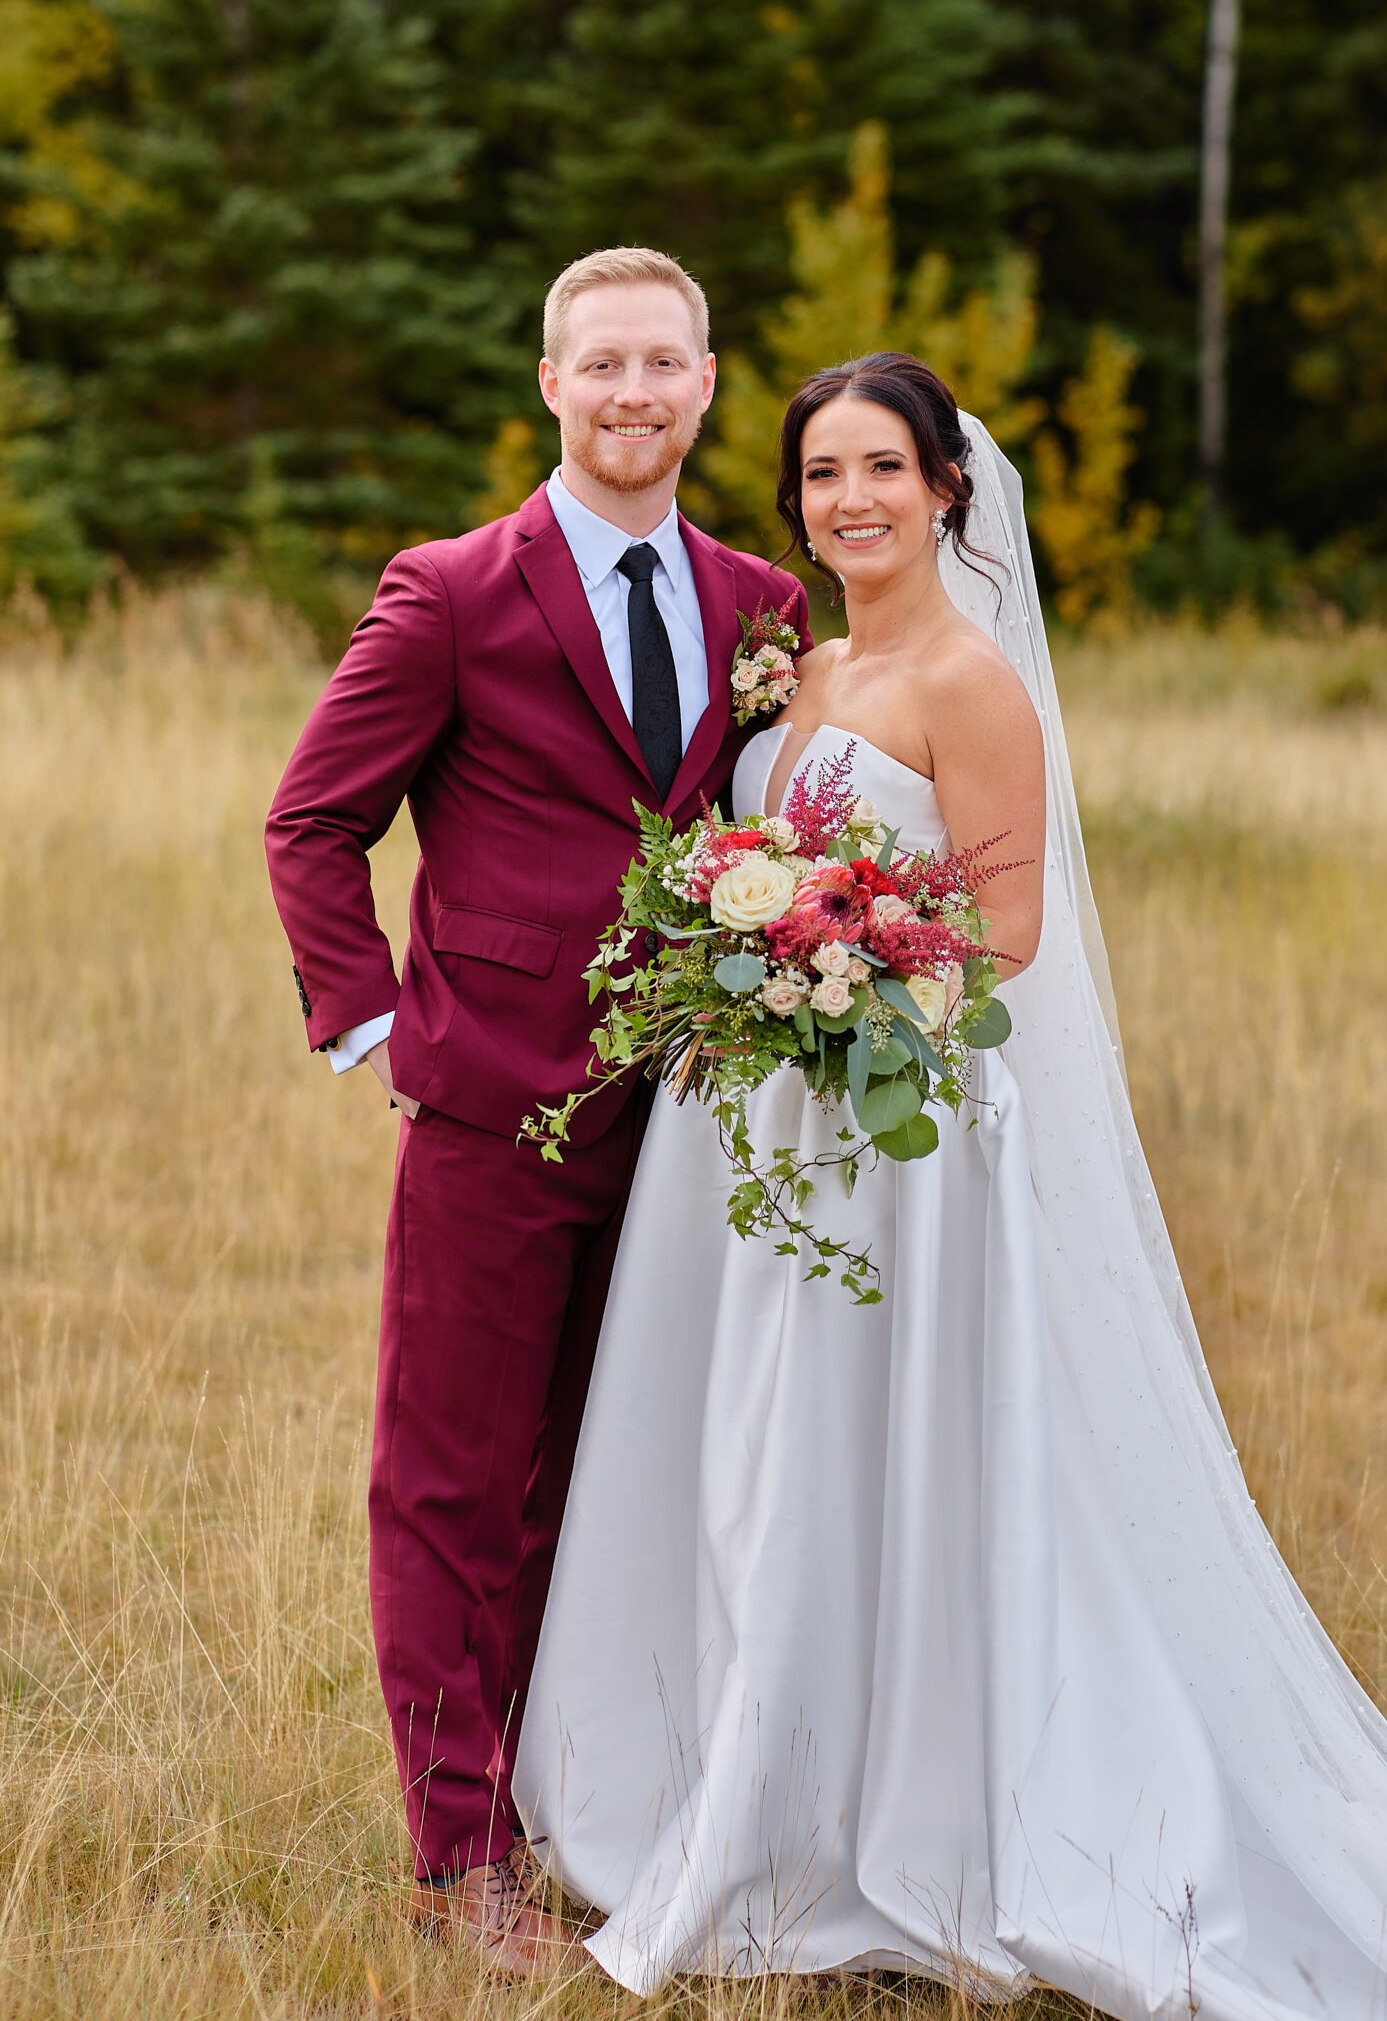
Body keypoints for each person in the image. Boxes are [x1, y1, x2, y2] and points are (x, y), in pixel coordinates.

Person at [514, 353, 1387, 2018]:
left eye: (881, 471)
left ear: (946, 490)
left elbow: (1006, 932)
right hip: (769, 1126)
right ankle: (751, 1777)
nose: (850, 501)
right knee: (767, 1447)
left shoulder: (973, 685)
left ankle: (914, 1809)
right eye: (822, 475)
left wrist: (819, 956)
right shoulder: (809, 668)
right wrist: (744, 954)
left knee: (873, 1444)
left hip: (896, 1138)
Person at [263, 248, 809, 1971]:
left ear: (708, 383)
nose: (635, 392)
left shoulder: (761, 609)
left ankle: (605, 1805)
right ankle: (460, 1854)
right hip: (490, 1111)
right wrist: (376, 1031)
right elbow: (312, 823)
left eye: (665, 363)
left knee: (619, 1479)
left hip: (697, 1124)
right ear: (552, 383)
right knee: (452, 1483)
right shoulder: (447, 591)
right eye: (604, 365)